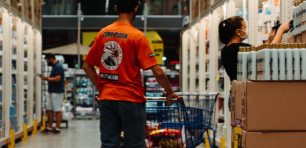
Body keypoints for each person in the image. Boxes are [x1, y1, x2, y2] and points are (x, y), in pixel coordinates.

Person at [82, 0, 180, 147]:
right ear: (136, 8)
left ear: (115, 8)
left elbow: (87, 66)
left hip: (107, 99)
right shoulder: (137, 36)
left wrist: (102, 87)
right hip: (131, 100)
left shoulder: (103, 33)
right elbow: (158, 72)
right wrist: (170, 93)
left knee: (109, 143)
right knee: (135, 143)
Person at [218, 16, 291, 81]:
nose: (246, 30)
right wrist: (281, 30)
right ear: (238, 32)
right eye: (244, 27)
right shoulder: (240, 49)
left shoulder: (225, 50)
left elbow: (260, 53)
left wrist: (269, 41)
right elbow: (269, 54)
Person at [42, 53, 65, 134]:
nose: (47, 62)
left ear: (51, 58)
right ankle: (50, 126)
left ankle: (57, 127)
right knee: (49, 109)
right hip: (51, 91)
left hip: (57, 92)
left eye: (47, 60)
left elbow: (58, 78)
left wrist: (47, 78)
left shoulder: (58, 66)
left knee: (57, 109)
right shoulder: (54, 67)